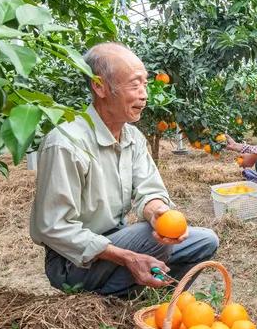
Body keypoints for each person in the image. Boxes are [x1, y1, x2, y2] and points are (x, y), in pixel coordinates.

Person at [30, 42, 219, 296]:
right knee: (148, 237)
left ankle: (140, 295)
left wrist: (158, 213)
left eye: (145, 84)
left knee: (205, 241)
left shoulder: (133, 138)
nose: (144, 94)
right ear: (100, 87)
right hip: (71, 262)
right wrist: (127, 256)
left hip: (117, 238)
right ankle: (109, 298)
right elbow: (53, 227)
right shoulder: (66, 143)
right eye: (134, 84)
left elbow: (149, 191)